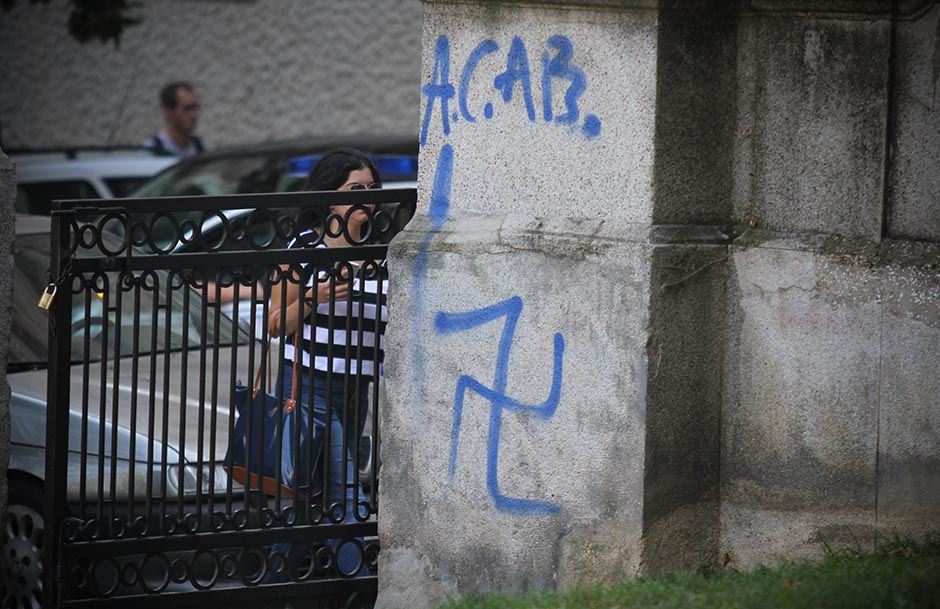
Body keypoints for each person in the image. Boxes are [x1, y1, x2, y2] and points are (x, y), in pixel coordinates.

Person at [265, 148, 385, 581]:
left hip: (358, 389)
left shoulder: (384, 253)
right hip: (310, 386)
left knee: (309, 496)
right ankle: (364, 581)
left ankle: (280, 580)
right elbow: (275, 323)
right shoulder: (304, 248)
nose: (367, 198)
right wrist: (315, 298)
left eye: (373, 189)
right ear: (331, 198)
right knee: (346, 490)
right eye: (356, 189)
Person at [143, 82, 205, 158]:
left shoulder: (199, 146)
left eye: (195, 108)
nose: (194, 115)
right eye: (187, 108)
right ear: (168, 111)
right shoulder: (152, 149)